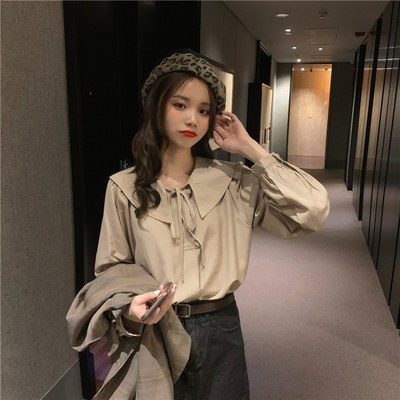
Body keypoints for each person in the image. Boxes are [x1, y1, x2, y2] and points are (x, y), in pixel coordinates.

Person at [67, 52, 330, 400]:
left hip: (221, 326)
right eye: (180, 105)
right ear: (157, 107)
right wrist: (130, 309)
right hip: (155, 331)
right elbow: (112, 270)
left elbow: (312, 209)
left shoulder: (234, 180)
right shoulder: (124, 187)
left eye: (204, 111)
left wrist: (251, 149)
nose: (193, 118)